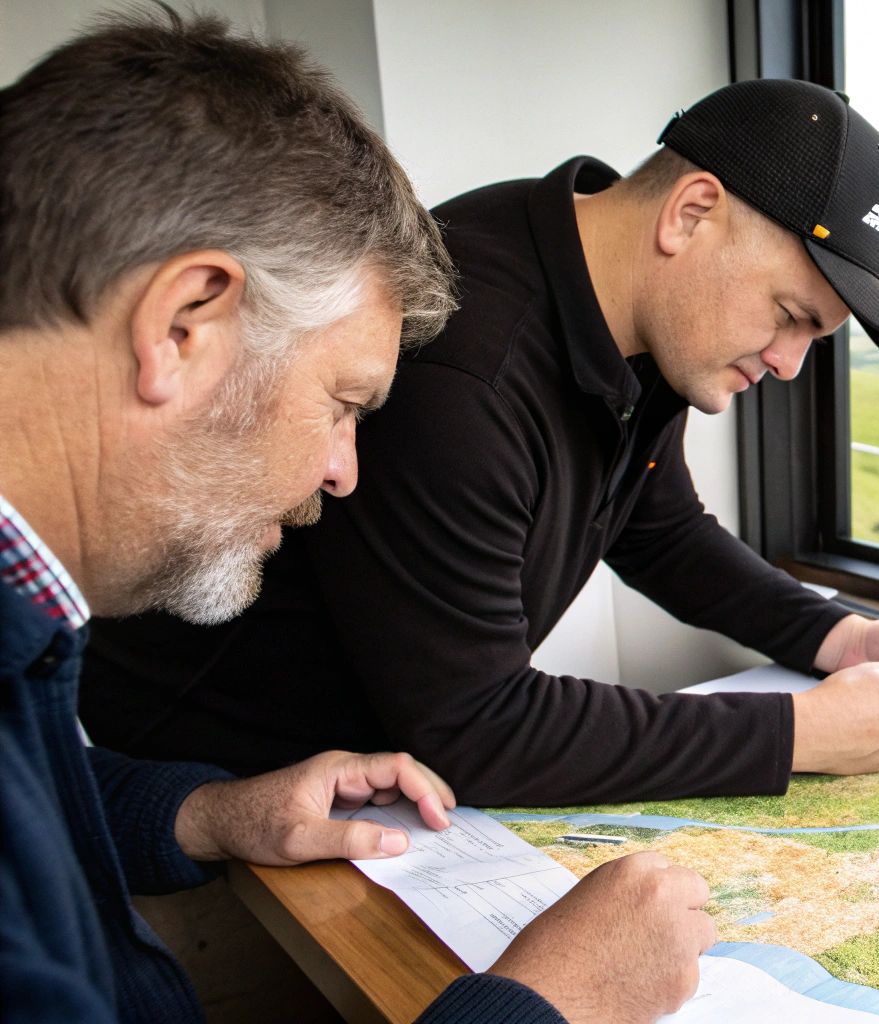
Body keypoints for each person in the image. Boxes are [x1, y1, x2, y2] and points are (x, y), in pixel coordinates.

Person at [1, 12, 713, 1023]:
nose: (342, 473)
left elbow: (39, 794)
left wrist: (204, 813)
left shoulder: (26, 608)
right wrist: (548, 1001)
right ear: (181, 326)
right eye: (341, 405)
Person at [80, 78, 879, 806]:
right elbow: (479, 728)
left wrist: (841, 636)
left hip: (377, 771)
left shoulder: (631, 314)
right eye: (791, 315)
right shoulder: (464, 372)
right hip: (215, 780)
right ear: (690, 213)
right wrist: (801, 736)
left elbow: (657, 525)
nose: (790, 363)